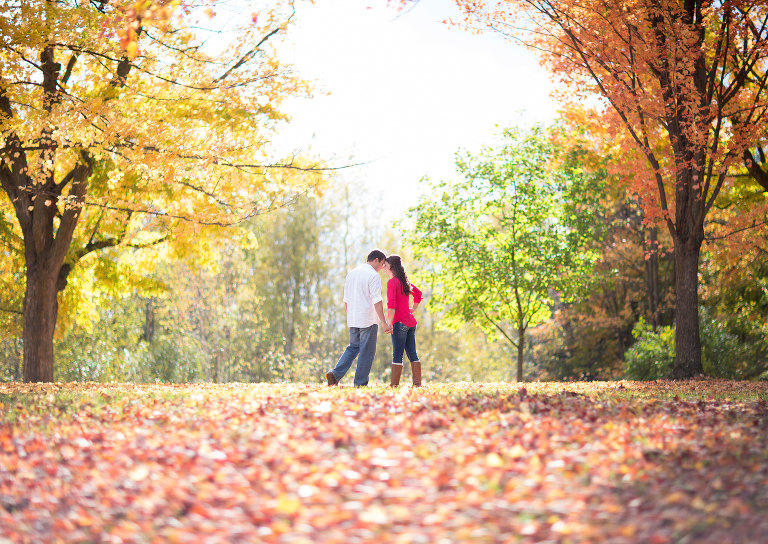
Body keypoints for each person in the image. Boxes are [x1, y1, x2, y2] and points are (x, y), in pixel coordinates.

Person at [326, 249, 392, 387]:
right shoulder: (373, 275)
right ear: (376, 260)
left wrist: (349, 317)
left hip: (353, 317)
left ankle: (335, 374)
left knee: (353, 347)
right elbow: (377, 300)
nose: (382, 268)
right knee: (367, 351)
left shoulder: (351, 273)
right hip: (368, 318)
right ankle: (360, 383)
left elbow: (346, 299)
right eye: (382, 264)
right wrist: (384, 322)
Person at [384, 254, 423, 387]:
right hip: (410, 323)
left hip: (399, 322)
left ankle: (394, 385)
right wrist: (413, 309)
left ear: (392, 266)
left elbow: (392, 305)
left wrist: (390, 322)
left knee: (397, 354)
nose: (384, 267)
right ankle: (417, 384)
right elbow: (418, 294)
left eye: (386, 265)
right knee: (412, 353)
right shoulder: (405, 282)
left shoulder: (392, 282)